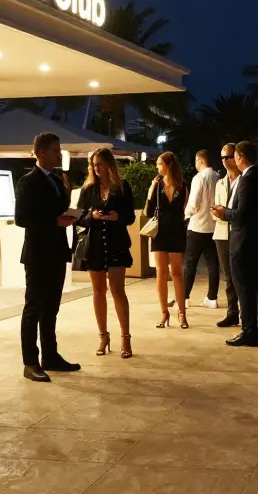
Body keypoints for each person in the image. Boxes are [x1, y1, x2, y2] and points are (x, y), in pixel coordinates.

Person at [15, 132, 81, 382]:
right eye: (55, 150)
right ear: (41, 153)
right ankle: (30, 361)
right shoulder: (29, 181)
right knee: (34, 307)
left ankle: (50, 356)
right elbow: (22, 218)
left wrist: (69, 212)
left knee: (51, 307)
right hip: (38, 253)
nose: (59, 153)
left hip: (56, 250)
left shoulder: (56, 179)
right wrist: (54, 220)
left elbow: (57, 211)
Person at [212, 141, 258, 346]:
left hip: (244, 241)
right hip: (257, 239)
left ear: (240, 157)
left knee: (244, 286)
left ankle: (249, 330)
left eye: (234, 156)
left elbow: (241, 214)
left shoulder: (247, 179)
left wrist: (224, 212)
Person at [75, 148, 135, 358]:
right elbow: (79, 218)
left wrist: (117, 216)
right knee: (98, 291)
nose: (96, 168)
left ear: (109, 164)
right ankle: (103, 335)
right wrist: (93, 216)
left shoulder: (122, 187)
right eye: (93, 164)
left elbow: (130, 217)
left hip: (116, 242)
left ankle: (125, 338)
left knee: (118, 290)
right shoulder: (88, 189)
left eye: (99, 163)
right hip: (95, 244)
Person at [145, 151, 189, 328]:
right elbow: (148, 212)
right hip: (160, 232)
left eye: (159, 164)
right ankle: (164, 313)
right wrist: (150, 192)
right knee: (161, 274)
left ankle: (182, 313)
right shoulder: (157, 185)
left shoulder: (182, 186)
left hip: (176, 232)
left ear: (168, 165)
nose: (157, 167)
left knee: (177, 273)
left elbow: (185, 210)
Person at [182, 150, 221, 309]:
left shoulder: (199, 178)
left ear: (200, 161)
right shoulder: (218, 177)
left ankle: (184, 297)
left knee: (190, 263)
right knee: (213, 263)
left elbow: (194, 202)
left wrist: (186, 213)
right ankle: (212, 298)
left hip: (198, 226)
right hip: (214, 227)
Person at [212, 143, 241, 328]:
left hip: (239, 232)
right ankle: (232, 312)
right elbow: (216, 205)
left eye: (228, 156)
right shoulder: (220, 183)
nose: (225, 161)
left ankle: (247, 312)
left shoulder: (244, 180)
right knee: (228, 276)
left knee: (241, 275)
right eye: (222, 157)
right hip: (222, 232)